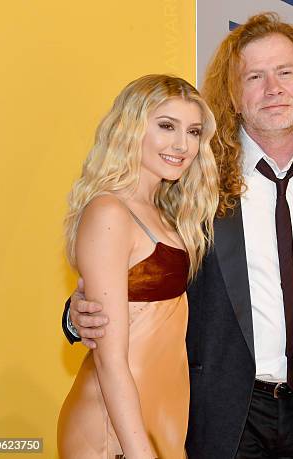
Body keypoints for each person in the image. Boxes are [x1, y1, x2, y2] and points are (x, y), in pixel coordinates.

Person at [64, 12, 293, 459]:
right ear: (234, 96)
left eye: (285, 72)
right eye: (254, 76)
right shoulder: (191, 172)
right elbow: (141, 257)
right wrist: (77, 314)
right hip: (219, 419)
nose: (273, 88)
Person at [57, 75, 219, 458]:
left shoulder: (170, 209)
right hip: (116, 427)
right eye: (166, 126)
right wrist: (137, 451)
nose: (182, 144)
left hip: (162, 416)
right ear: (131, 129)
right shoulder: (110, 212)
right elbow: (111, 360)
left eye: (193, 131)